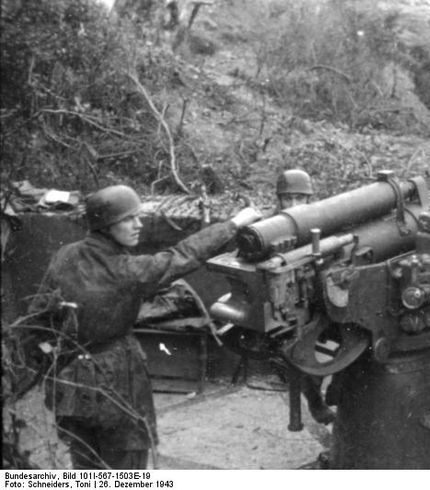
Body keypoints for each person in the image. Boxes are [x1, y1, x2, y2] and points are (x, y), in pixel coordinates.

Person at [29, 185, 262, 469]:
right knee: (127, 460)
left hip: (71, 377)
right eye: (128, 219)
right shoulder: (127, 270)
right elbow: (183, 255)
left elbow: (38, 316)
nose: (138, 225)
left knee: (85, 465)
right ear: (105, 225)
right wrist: (234, 223)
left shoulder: (65, 255)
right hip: (117, 375)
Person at [273, 169, 336, 426]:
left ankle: (334, 387)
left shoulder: (321, 220)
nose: (295, 205)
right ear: (279, 200)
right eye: (288, 199)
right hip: (289, 299)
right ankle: (314, 401)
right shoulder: (271, 227)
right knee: (302, 352)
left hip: (318, 293)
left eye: (301, 198)